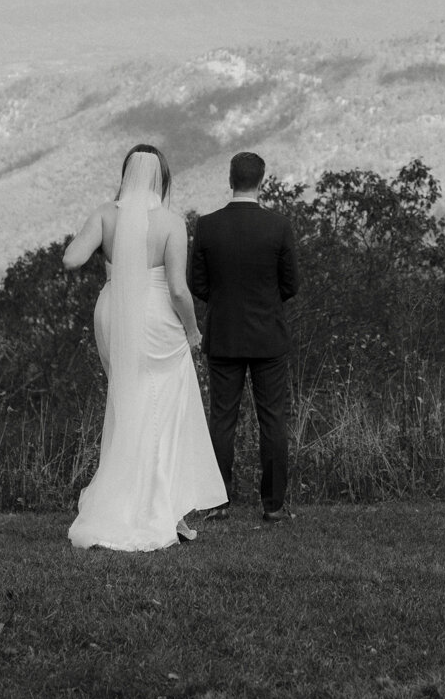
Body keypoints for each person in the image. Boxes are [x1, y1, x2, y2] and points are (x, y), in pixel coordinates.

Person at [63, 144, 226, 550]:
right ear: (162, 180)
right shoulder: (171, 222)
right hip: (156, 319)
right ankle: (162, 510)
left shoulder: (105, 213)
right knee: (165, 413)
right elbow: (177, 289)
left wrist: (105, 244)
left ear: (125, 176)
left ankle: (122, 503)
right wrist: (192, 331)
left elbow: (71, 259)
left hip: (113, 313)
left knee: (128, 403)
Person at [189, 150, 300, 522]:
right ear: (262, 181)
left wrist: (223, 303)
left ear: (230, 179)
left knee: (222, 419)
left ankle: (218, 502)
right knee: (273, 420)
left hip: (224, 334)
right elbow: (291, 284)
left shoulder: (206, 226)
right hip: (268, 335)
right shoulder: (279, 226)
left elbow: (197, 284)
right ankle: (273, 505)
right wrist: (267, 304)